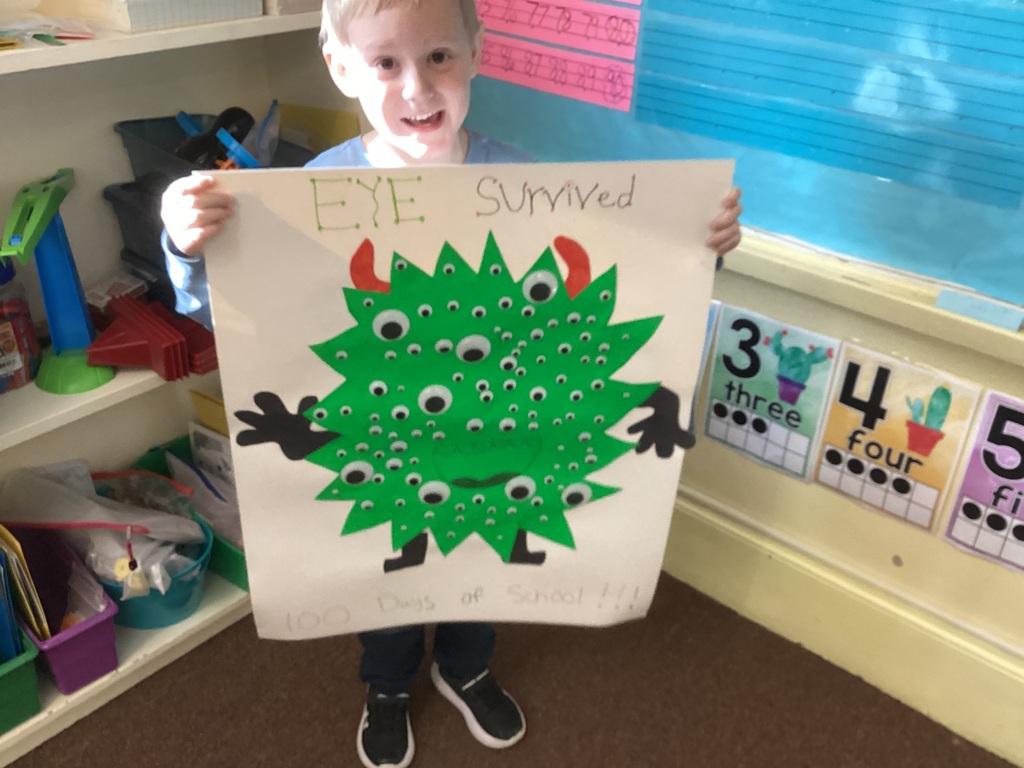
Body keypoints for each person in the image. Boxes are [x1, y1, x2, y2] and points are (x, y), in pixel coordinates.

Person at [161, 1, 744, 766]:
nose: (417, 88)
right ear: (339, 66)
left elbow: (628, 282)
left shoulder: (527, 182)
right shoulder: (306, 191)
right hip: (387, 438)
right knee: (390, 562)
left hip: (507, 430)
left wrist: (702, 245)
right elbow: (234, 312)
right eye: (385, 63)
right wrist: (182, 239)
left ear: (476, 51)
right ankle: (389, 682)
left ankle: (466, 667)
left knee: (491, 550)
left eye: (439, 56)